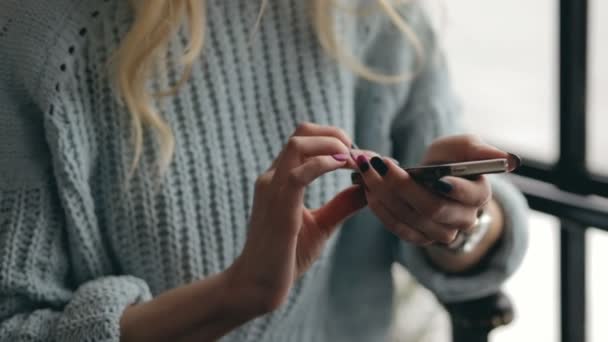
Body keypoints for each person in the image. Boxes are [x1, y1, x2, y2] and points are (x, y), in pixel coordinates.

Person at [0, 1, 528, 341]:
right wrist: (236, 295)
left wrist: (463, 223)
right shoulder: (40, 34)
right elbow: (16, 323)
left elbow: (467, 219)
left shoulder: (376, 14)